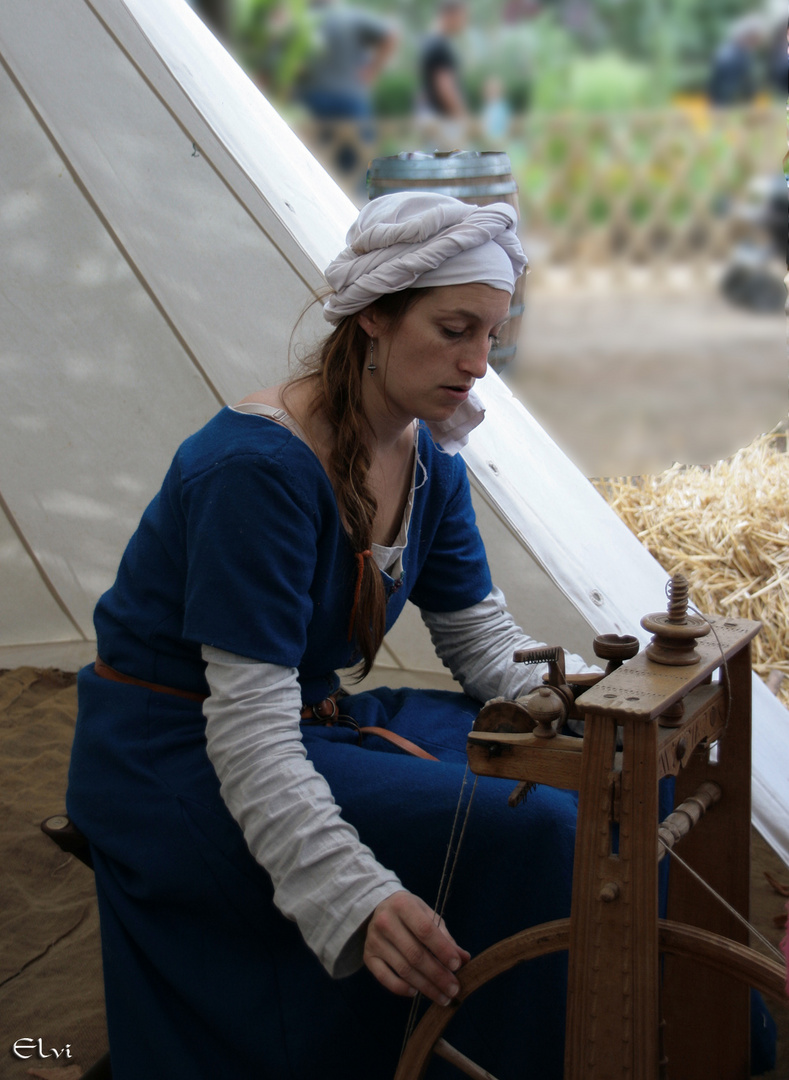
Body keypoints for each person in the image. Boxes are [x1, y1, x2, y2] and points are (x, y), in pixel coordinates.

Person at [67, 191, 600, 1079]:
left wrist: (602, 701)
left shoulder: (427, 456)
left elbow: (480, 644)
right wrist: (346, 892)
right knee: (536, 828)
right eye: (454, 328)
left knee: (610, 787)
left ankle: (644, 1036)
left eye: (491, 337)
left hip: (305, 715)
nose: (476, 363)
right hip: (177, 753)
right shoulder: (256, 468)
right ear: (374, 320)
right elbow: (246, 728)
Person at [297, 0, 397, 177]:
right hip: (348, 100)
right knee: (358, 164)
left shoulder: (305, 21)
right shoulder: (350, 16)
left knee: (315, 163)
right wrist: (372, 71)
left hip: (318, 100)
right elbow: (389, 36)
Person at [418, 0, 469, 149]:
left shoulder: (429, 42)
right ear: (451, 14)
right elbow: (444, 86)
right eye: (463, 16)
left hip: (431, 120)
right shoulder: (440, 46)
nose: (464, 22)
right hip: (443, 123)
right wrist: (463, 117)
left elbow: (423, 92)